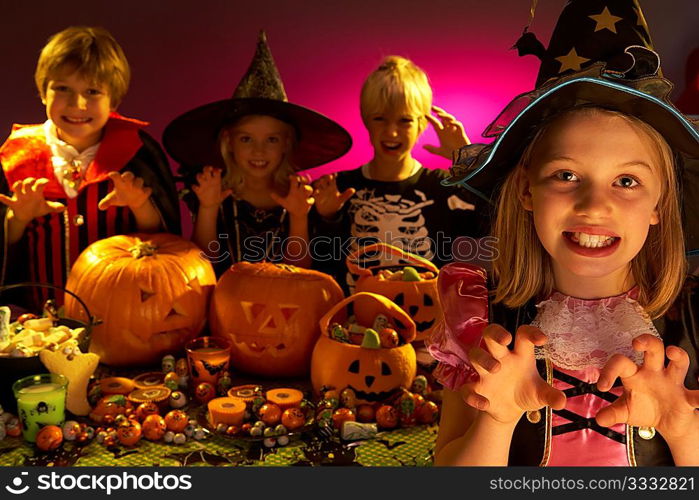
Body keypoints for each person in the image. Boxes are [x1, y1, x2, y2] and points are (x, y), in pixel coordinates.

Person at [429, 0, 699, 464]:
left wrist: (683, 430)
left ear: (660, 204)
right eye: (566, 175)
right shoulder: (478, 316)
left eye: (627, 181)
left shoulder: (694, 323)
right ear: (526, 190)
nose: (594, 205)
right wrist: (497, 420)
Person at [0, 26, 180, 290]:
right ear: (42, 92)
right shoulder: (16, 156)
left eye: (93, 91)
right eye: (62, 88)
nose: (78, 104)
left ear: (114, 99)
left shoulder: (138, 151)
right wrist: (18, 220)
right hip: (40, 319)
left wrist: (141, 206)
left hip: (121, 309)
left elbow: (165, 239)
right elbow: (8, 255)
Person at [163, 31, 351, 275]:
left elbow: (299, 274)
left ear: (286, 144)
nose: (258, 150)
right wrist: (208, 208)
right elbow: (202, 264)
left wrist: (298, 216)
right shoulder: (217, 192)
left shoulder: (298, 196)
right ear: (229, 142)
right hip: (222, 304)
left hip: (286, 305)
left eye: (271, 139)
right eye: (246, 139)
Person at [312, 56, 489, 294]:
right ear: (366, 120)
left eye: (404, 121)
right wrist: (327, 218)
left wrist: (468, 162)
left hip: (427, 317)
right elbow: (321, 266)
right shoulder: (339, 188)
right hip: (354, 318)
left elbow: (497, 218)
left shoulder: (444, 187)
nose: (391, 132)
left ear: (421, 124)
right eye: (379, 119)